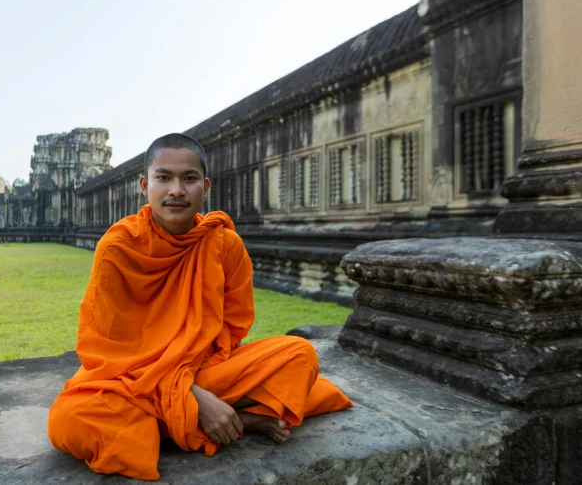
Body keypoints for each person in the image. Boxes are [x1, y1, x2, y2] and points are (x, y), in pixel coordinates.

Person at [48, 133, 353, 481]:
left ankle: (170, 425)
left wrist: (190, 382)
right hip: (130, 378)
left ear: (204, 187)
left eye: (189, 178)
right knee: (71, 419)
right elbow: (107, 349)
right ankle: (237, 419)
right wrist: (191, 395)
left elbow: (230, 331)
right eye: (164, 178)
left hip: (202, 368)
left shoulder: (224, 244)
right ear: (145, 185)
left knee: (299, 355)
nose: (176, 190)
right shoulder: (118, 247)